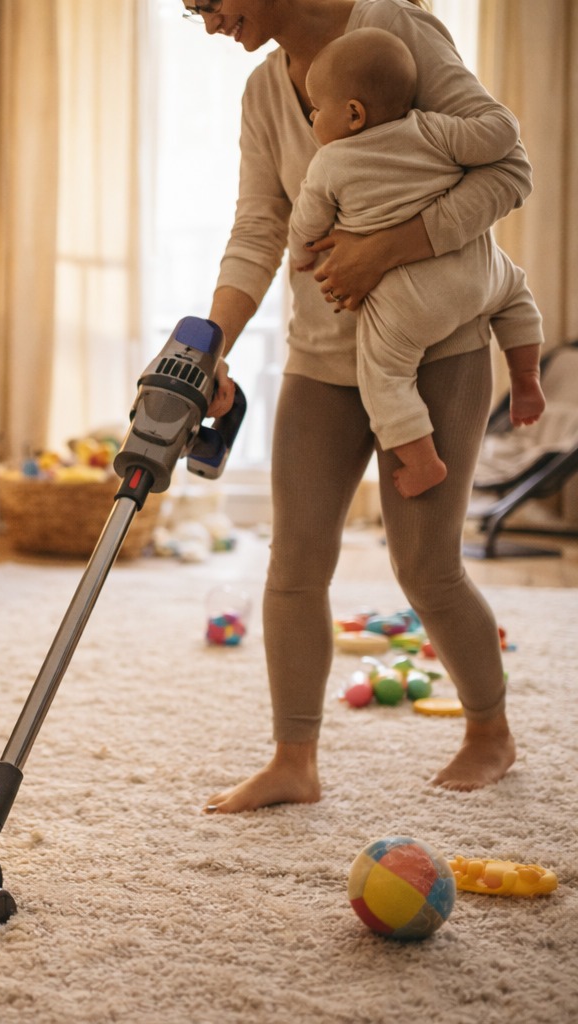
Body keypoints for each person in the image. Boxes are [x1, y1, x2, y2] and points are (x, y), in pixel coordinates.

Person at [179, 0, 529, 811]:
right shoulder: (265, 91)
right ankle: (293, 760)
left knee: (426, 566)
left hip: (436, 351)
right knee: (294, 562)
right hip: (322, 358)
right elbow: (260, 225)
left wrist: (389, 250)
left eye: (207, 1)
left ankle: (490, 733)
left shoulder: (395, 32)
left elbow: (509, 168)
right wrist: (208, 346)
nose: (204, 23)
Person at [287, 27, 545, 498]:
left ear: (352, 115)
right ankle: (526, 379)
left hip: (410, 299)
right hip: (474, 269)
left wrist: (304, 253)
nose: (311, 120)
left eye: (316, 110)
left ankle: (423, 461)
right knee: (516, 291)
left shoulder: (330, 163)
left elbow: (306, 225)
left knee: (384, 374)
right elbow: (498, 139)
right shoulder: (433, 128)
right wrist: (504, 120)